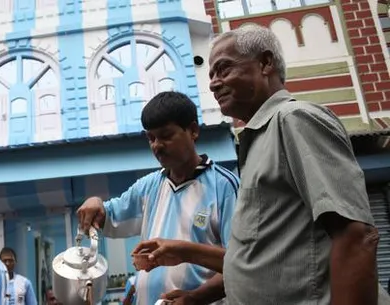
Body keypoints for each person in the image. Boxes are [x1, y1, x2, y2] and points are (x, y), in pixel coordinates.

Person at [133, 24, 390, 305]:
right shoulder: (258, 139)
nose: (214, 83)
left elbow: (356, 235)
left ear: (265, 63)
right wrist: (187, 262)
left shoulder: (294, 120)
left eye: (224, 69)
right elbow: (258, 259)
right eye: (211, 75)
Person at [77, 91, 239, 304]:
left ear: (193, 131)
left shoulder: (224, 187)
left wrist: (194, 298)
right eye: (151, 138)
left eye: (166, 135)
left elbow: (241, 263)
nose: (156, 145)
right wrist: (95, 202)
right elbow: (107, 216)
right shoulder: (148, 186)